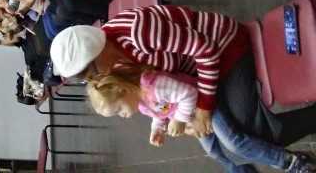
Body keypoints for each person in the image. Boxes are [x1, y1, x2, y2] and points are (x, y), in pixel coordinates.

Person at [50, 10, 316, 170]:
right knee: (238, 137)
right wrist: (186, 117)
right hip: (195, 77)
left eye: (93, 73)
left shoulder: (138, 32)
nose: (97, 79)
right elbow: (165, 91)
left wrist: (202, 109)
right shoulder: (113, 60)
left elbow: (206, 51)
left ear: (96, 52)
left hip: (225, 49)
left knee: (253, 134)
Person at [87, 65, 316, 173]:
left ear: (123, 90)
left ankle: (289, 161)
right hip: (192, 117)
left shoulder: (154, 85)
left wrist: (179, 120)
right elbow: (159, 114)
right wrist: (157, 129)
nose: (123, 116)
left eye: (119, 110)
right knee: (213, 151)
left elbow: (189, 93)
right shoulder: (141, 103)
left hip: (206, 106)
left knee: (233, 142)